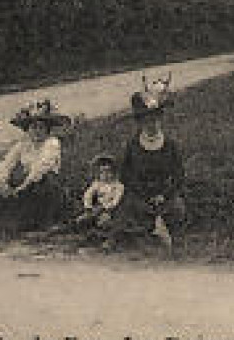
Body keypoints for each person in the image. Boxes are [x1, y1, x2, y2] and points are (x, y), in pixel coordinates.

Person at [0, 99, 70, 236]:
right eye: (33, 127)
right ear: (27, 129)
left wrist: (21, 187)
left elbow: (41, 168)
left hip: (43, 187)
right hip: (25, 185)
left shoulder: (52, 143)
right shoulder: (23, 145)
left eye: (41, 127)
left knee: (43, 183)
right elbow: (5, 165)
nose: (37, 131)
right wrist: (3, 184)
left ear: (47, 130)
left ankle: (40, 222)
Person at [115, 91, 186, 251]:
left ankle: (162, 232)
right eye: (146, 120)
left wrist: (165, 194)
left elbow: (179, 175)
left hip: (164, 193)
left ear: (160, 119)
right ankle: (144, 235)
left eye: (154, 119)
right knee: (132, 212)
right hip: (139, 193)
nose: (151, 124)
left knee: (177, 208)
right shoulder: (133, 145)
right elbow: (125, 174)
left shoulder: (170, 144)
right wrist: (143, 193)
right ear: (140, 122)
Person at [74, 154, 125, 247]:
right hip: (97, 207)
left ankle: (109, 239)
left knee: (105, 222)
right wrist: (88, 206)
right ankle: (90, 236)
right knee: (82, 220)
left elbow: (116, 200)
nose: (105, 175)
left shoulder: (118, 186)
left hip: (112, 210)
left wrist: (106, 208)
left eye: (108, 172)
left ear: (114, 173)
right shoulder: (97, 184)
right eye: (102, 172)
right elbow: (88, 194)